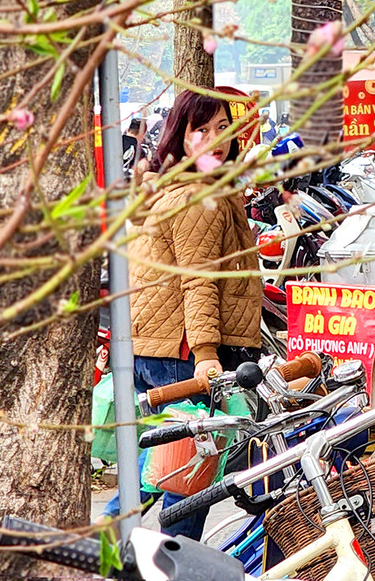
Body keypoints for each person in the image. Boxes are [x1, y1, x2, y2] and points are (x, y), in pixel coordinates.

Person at [101, 89, 263, 539]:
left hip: (157, 348)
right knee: (189, 477)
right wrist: (207, 354)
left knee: (155, 470)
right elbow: (198, 281)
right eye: (201, 130)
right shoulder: (197, 197)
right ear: (180, 135)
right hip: (184, 353)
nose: (215, 140)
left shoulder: (173, 187)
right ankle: (173, 562)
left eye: (222, 128)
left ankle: (101, 548)